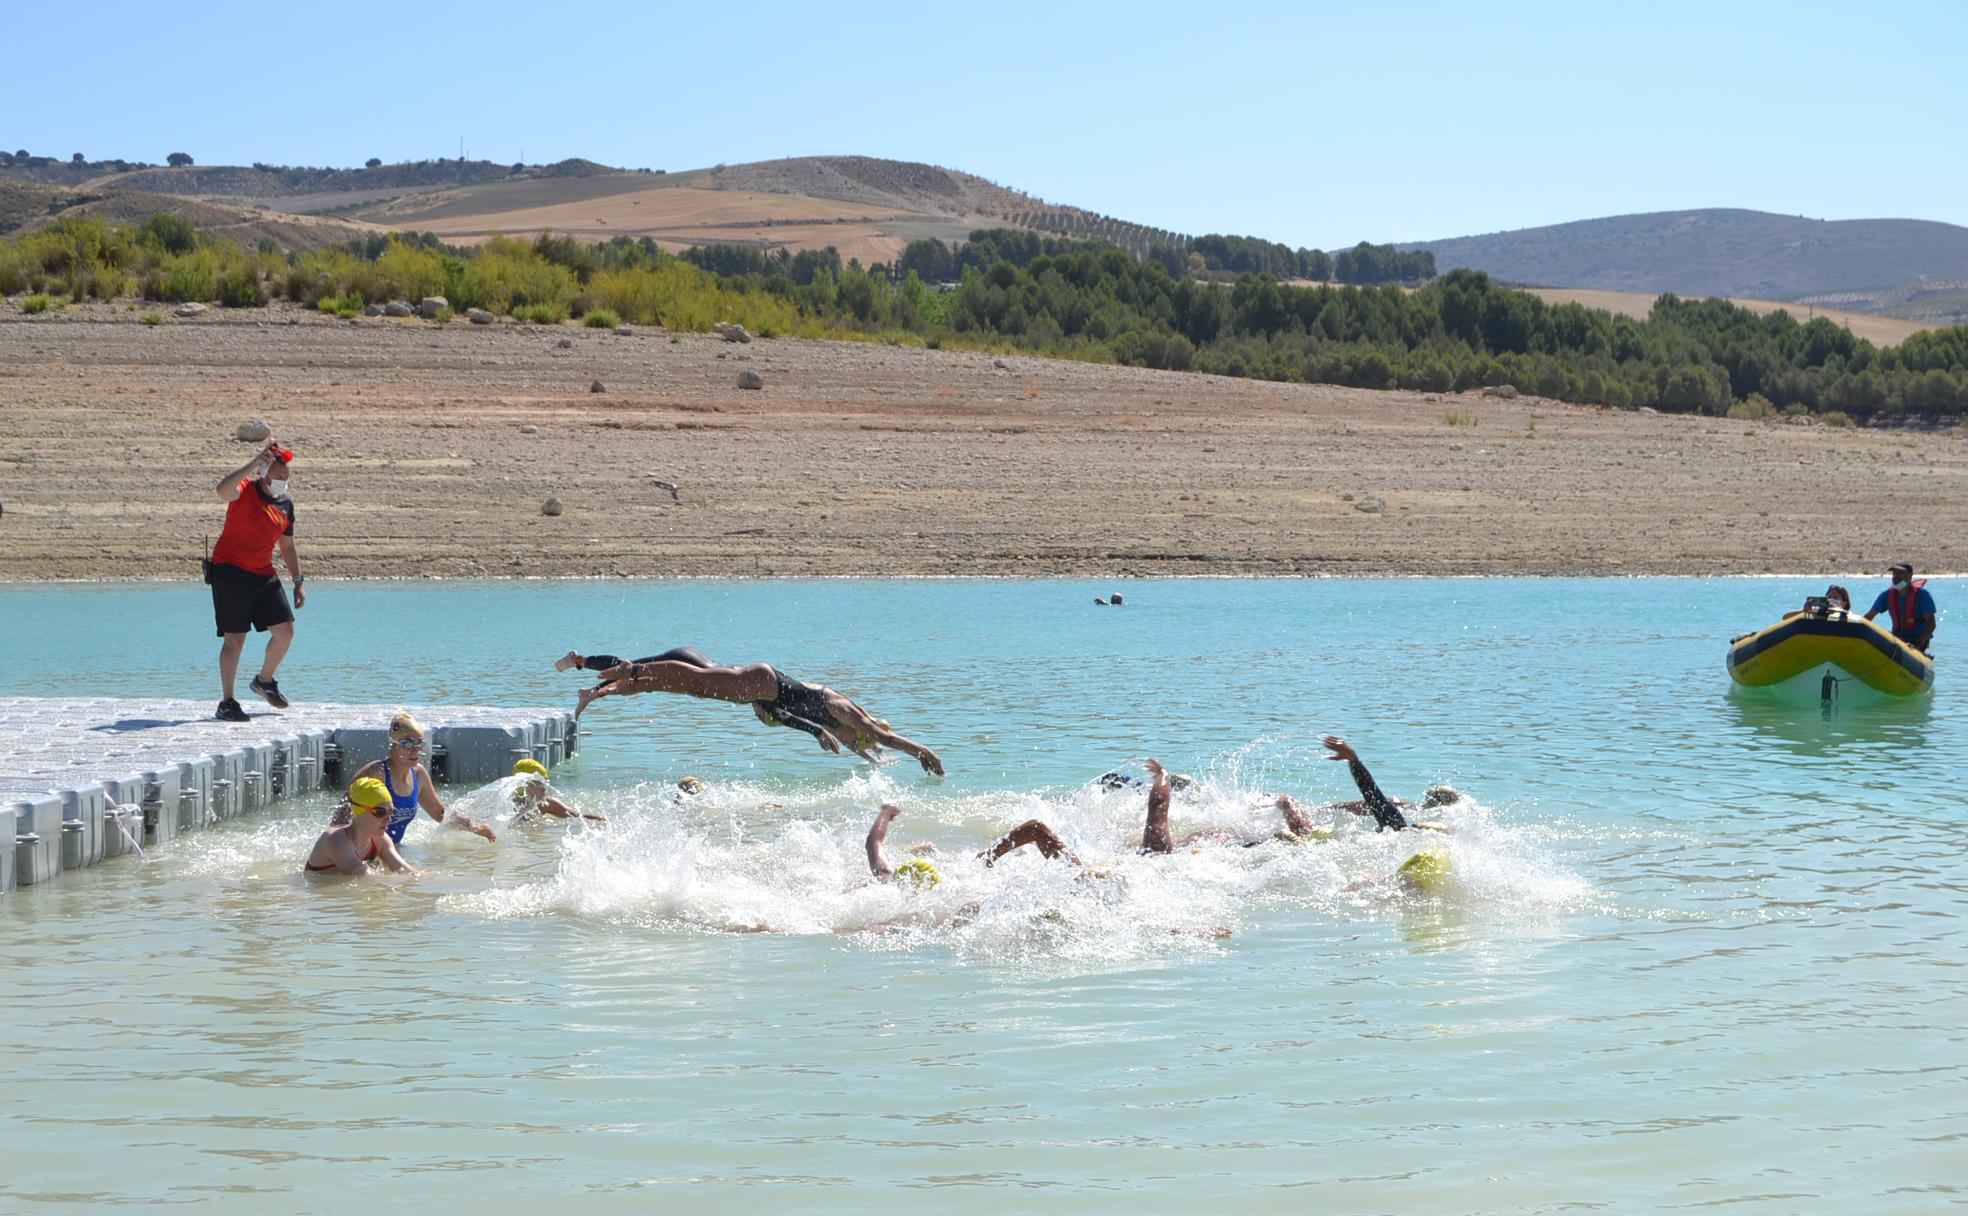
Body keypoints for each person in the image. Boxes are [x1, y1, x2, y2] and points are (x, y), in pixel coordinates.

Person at [567, 649, 945, 775]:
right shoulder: (851, 715)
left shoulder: (849, 731)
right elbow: (884, 738)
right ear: (864, 725)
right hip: (766, 683)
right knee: (696, 680)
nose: (854, 741)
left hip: (763, 693)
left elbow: (867, 746)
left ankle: (610, 679)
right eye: (859, 739)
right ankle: (629, 669)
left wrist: (873, 760)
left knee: (683, 686)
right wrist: (923, 752)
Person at [209, 441, 306, 722]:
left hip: (263, 572)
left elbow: (287, 546)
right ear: (264, 472)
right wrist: (252, 464)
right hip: (230, 570)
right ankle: (227, 702)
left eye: (285, 479)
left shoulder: (286, 505)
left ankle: (264, 680)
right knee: (235, 638)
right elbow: (221, 490)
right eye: (277, 477)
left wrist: (298, 580)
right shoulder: (245, 490)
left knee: (285, 630)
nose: (281, 483)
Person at [337, 713, 496, 844]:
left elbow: (441, 815)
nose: (415, 750)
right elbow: (341, 817)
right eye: (407, 744)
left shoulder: (418, 775)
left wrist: (474, 826)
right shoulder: (376, 773)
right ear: (393, 745)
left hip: (389, 850)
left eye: (419, 744)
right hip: (363, 851)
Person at [304, 777, 419, 875]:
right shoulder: (336, 840)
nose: (388, 819)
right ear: (359, 811)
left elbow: (406, 872)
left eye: (391, 812)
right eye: (380, 812)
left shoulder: (380, 840)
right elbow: (365, 880)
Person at [1863, 562, 1937, 653]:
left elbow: (1931, 624)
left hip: (1917, 638)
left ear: (1910, 576)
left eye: (1900, 573)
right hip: (1897, 636)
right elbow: (1868, 617)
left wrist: (1918, 645)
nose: (1896, 577)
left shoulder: (1922, 595)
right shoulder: (1886, 595)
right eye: (1894, 573)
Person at [509, 758, 605, 825]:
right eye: (539, 783)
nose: (544, 788)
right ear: (525, 785)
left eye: (545, 782)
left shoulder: (544, 803)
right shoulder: (507, 806)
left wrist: (599, 819)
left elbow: (576, 815)